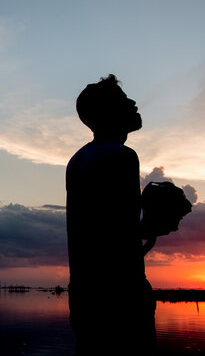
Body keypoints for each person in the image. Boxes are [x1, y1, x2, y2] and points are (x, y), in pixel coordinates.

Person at [66, 74, 156, 355]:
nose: (132, 102)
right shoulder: (122, 155)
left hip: (84, 293)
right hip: (120, 294)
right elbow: (124, 235)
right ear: (108, 113)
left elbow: (96, 230)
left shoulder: (77, 160)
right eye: (122, 99)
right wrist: (157, 222)